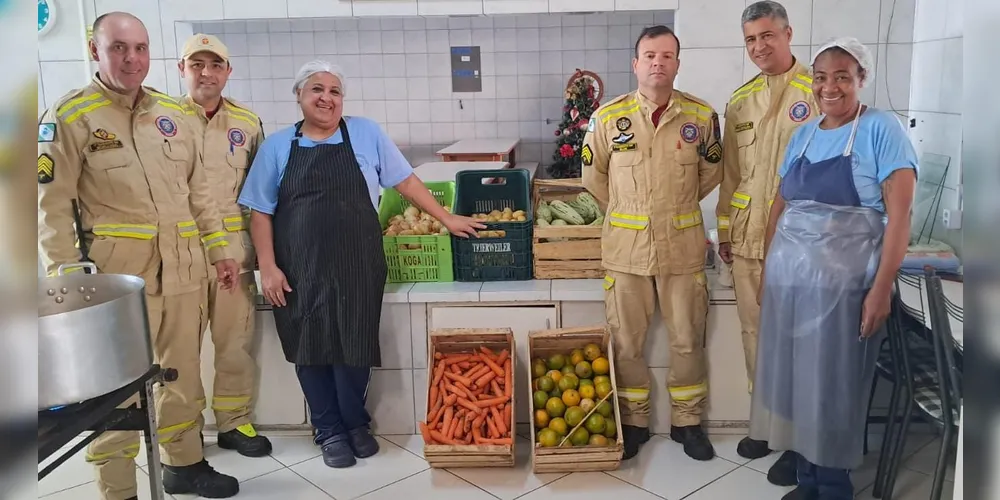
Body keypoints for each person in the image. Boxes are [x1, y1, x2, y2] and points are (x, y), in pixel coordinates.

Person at [237, 60, 484, 469]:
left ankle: (355, 424)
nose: (326, 98)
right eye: (317, 89)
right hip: (300, 267)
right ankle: (328, 428)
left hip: (358, 262)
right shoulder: (278, 146)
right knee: (310, 347)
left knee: (354, 344)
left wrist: (446, 217)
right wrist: (269, 266)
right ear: (299, 96)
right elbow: (260, 212)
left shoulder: (365, 133)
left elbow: (404, 180)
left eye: (335, 91)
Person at [37, 12, 242, 499]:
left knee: (184, 374)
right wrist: (69, 283)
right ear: (95, 51)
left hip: (184, 269)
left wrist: (220, 251)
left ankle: (184, 464)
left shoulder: (173, 116)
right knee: (117, 393)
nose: (132, 59)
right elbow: (50, 207)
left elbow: (199, 194)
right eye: (119, 48)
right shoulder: (70, 117)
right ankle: (118, 488)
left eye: (140, 48)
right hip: (116, 283)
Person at [750, 37, 917, 500]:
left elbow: (899, 215)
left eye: (842, 76)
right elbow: (780, 203)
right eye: (821, 77)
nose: (830, 87)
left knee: (834, 388)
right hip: (791, 286)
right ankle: (808, 477)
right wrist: (768, 270)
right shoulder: (804, 133)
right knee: (795, 385)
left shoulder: (881, 129)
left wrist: (880, 291)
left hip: (844, 289)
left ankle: (834, 483)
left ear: (861, 79)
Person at [581, 26, 723, 462]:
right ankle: (635, 422)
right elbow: (593, 178)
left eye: (667, 55)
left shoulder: (701, 117)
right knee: (626, 342)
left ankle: (688, 423)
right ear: (636, 64)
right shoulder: (608, 117)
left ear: (678, 64)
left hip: (682, 249)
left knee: (687, 340)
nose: (658, 62)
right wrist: (631, 211)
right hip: (625, 252)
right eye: (649, 55)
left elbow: (711, 175)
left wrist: (670, 209)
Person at [715, 1, 819, 484]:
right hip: (748, 240)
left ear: (788, 33)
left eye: (767, 36)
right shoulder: (740, 101)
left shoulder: (816, 91)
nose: (759, 46)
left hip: (799, 245)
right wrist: (724, 229)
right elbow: (730, 174)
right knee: (755, 338)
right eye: (751, 40)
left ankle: (799, 444)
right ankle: (766, 426)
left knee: (797, 342)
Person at [176, 33, 273, 458]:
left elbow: (262, 193)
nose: (206, 73)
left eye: (215, 65)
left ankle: (234, 422)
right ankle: (184, 431)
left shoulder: (247, 124)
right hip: (181, 253)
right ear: (182, 69)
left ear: (227, 72)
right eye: (196, 64)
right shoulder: (161, 119)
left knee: (234, 340)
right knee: (180, 346)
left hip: (235, 251)